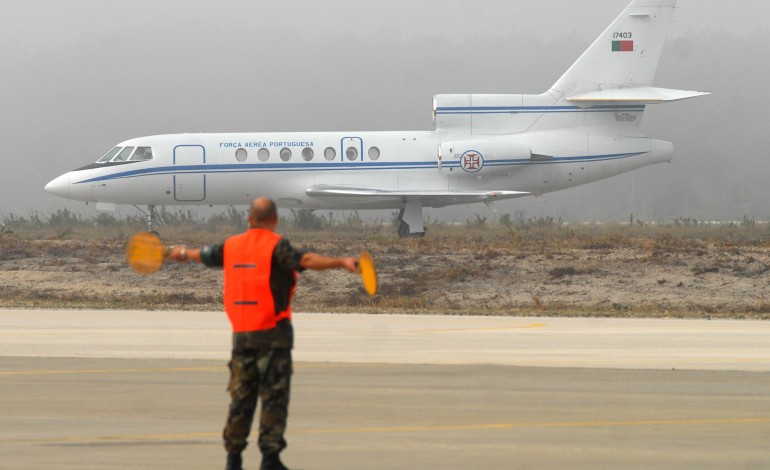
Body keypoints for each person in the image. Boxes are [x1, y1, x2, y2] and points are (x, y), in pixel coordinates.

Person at [168, 197, 358, 470]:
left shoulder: (230, 246)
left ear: (248, 219)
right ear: (275, 221)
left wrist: (183, 254)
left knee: (241, 398)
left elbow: (205, 255)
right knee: (274, 398)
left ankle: (233, 458)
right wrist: (341, 262)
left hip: (242, 336)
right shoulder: (276, 246)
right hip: (273, 336)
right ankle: (270, 458)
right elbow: (304, 259)